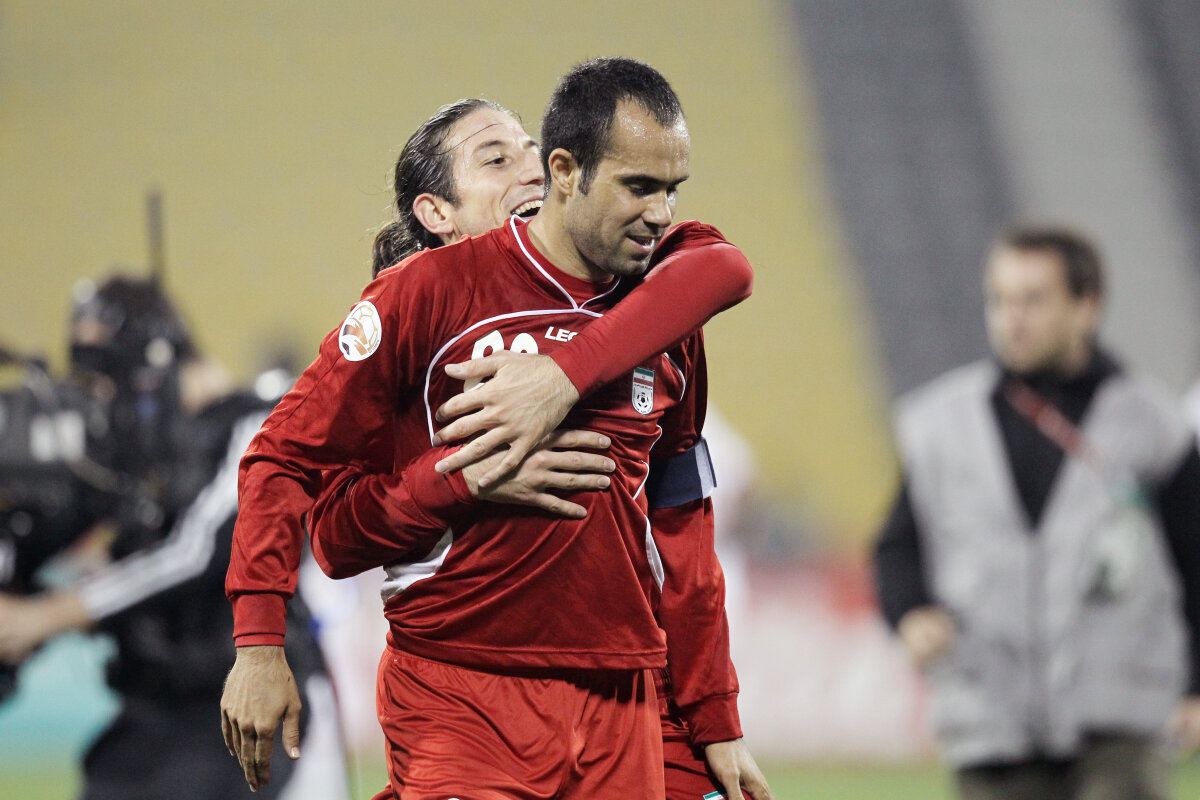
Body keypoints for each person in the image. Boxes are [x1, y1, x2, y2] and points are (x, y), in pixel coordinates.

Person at [226, 58, 771, 799]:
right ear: (570, 172)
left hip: (621, 693)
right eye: (496, 157)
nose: (660, 211)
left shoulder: (664, 301)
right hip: (462, 685)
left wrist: (714, 712)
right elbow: (305, 493)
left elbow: (683, 518)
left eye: (670, 189)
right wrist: (260, 643)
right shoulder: (422, 297)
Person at [873, 225, 1200, 800]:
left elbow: (1196, 561)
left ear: (1087, 305)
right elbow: (898, 545)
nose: (1012, 318)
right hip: (993, 724)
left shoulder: (1153, 425)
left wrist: (1197, 686)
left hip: (1119, 727)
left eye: (1033, 300)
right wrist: (910, 611)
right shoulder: (943, 423)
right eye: (999, 300)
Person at [0, 276, 347, 799]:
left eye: (108, 374)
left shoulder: (259, 420)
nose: (101, 396)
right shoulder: (127, 456)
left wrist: (46, 616)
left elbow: (199, 551)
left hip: (256, 704)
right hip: (155, 721)